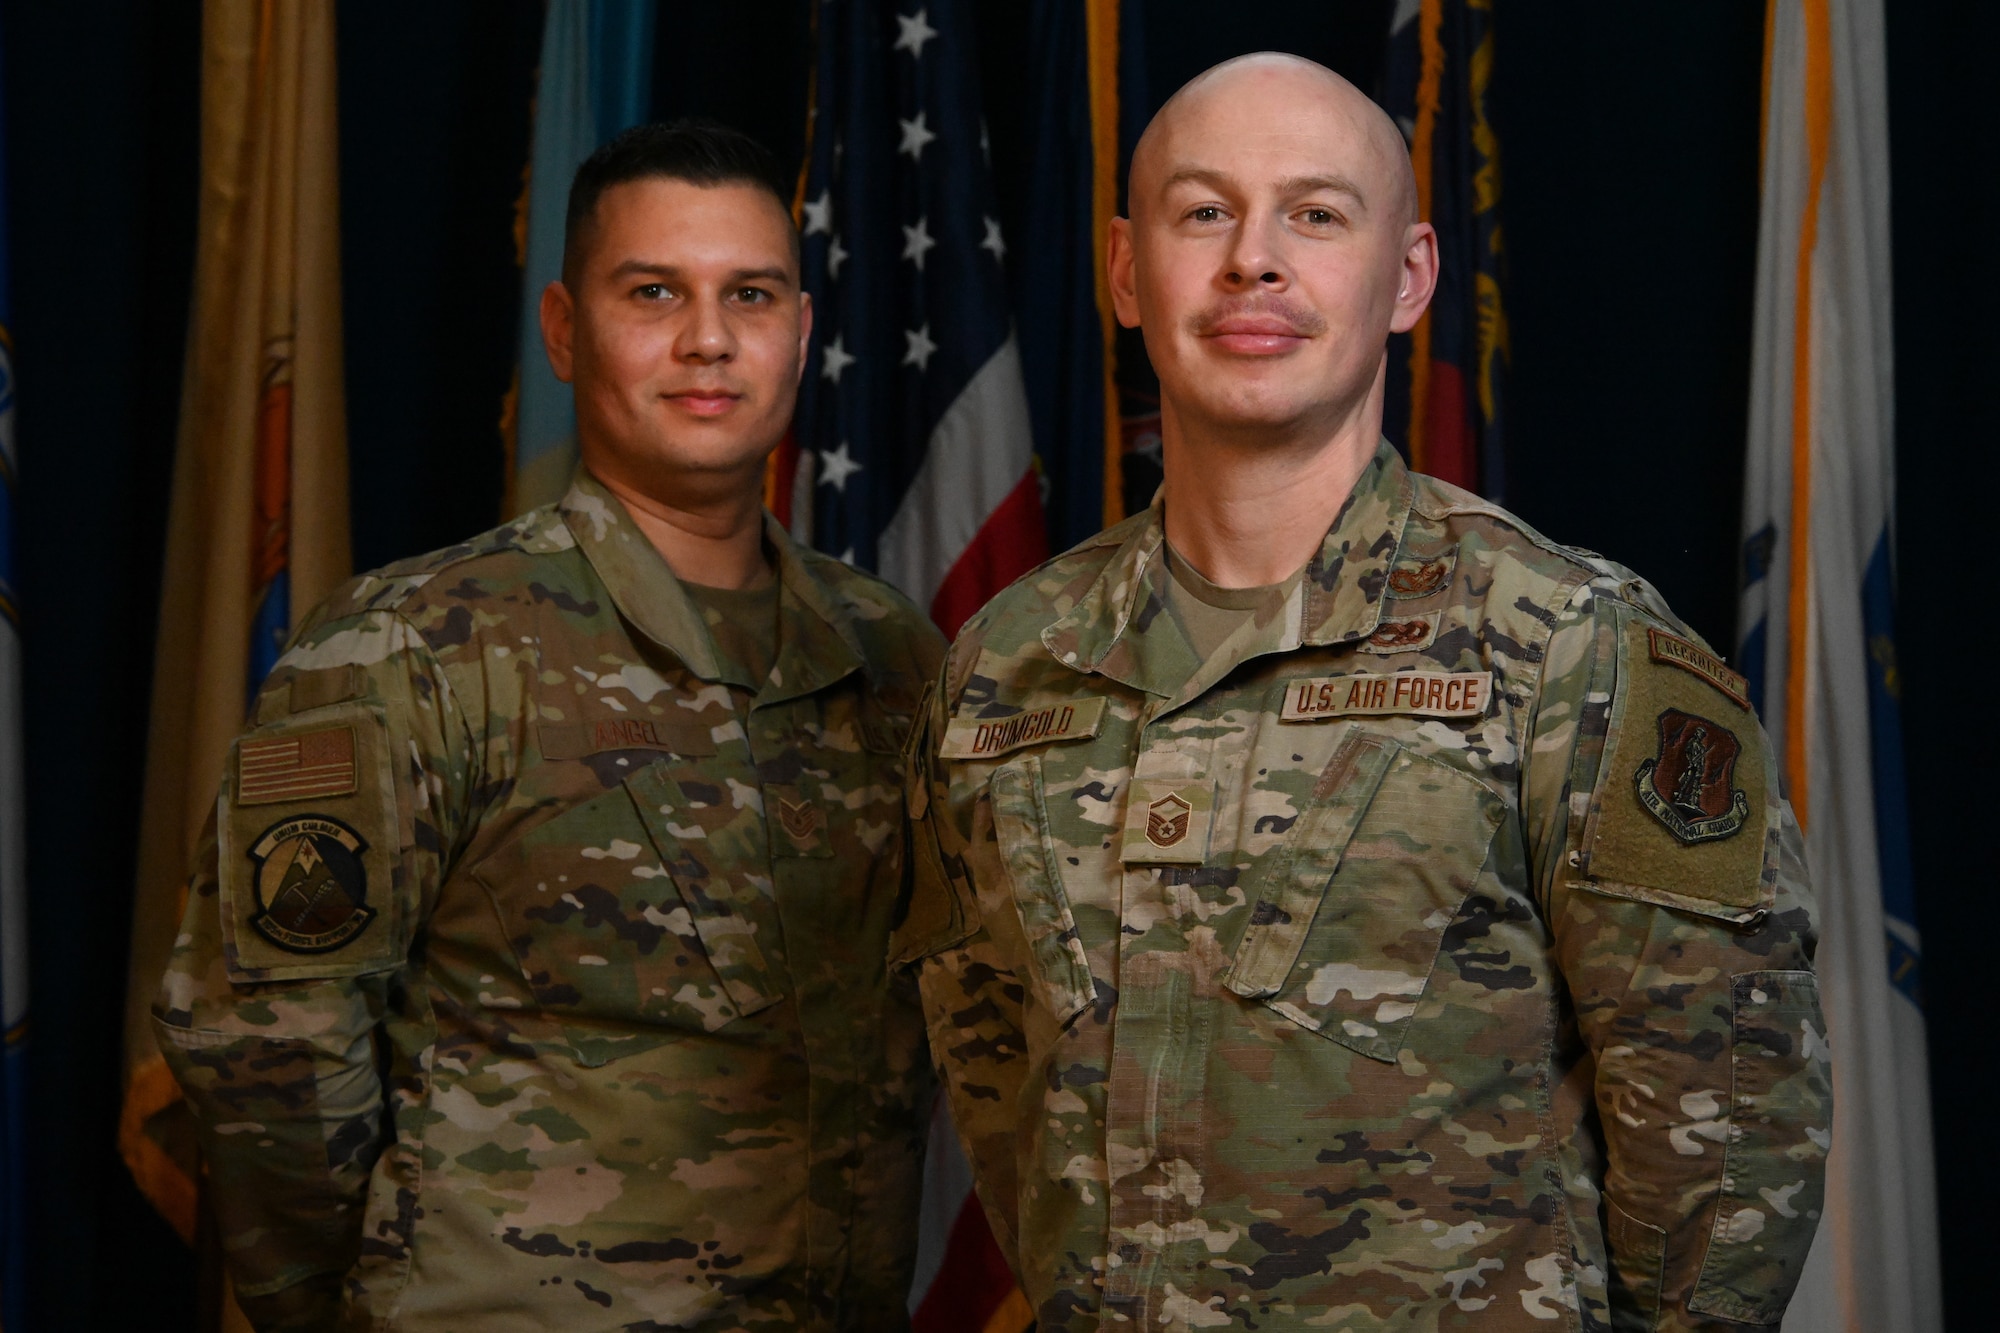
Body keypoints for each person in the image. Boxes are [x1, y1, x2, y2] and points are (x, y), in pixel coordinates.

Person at [896, 54, 1827, 1331]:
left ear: (1408, 277)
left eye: (1315, 214)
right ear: (1126, 269)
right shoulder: (1003, 667)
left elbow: (1728, 1137)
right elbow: (1000, 1100)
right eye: (1202, 211)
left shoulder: (1571, 648)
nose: (1252, 262)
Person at [155, 120, 942, 1331]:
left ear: (800, 328)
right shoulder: (411, 642)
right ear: (565, 331)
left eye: (750, 293)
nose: (707, 339)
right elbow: (265, 1040)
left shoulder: (892, 659)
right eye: (653, 293)